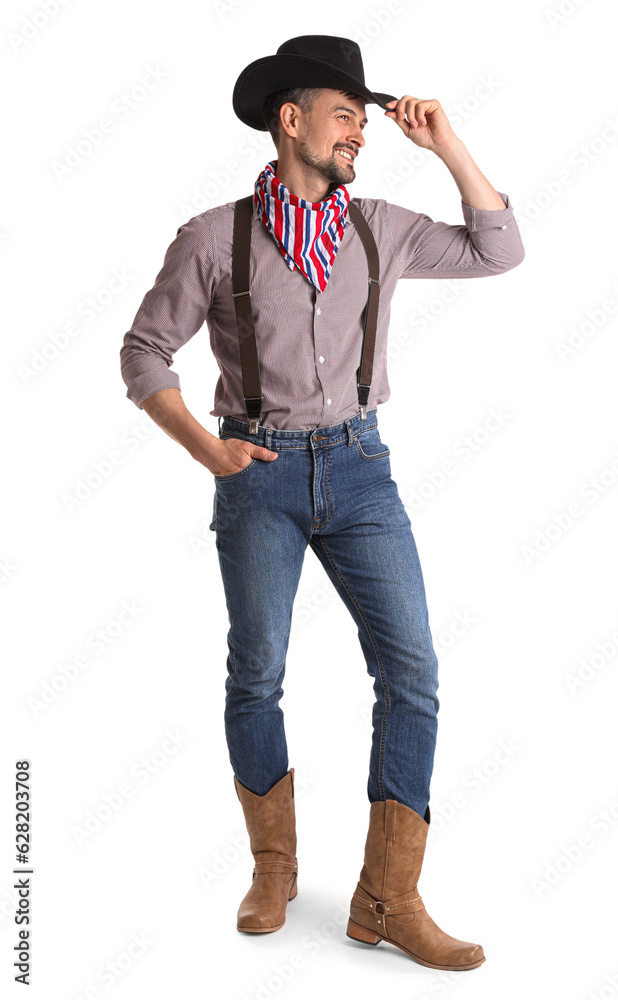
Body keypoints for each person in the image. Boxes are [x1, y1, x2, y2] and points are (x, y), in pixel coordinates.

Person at [119, 34, 525, 971]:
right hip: (254, 475)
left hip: (361, 469)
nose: (361, 134)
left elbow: (498, 248)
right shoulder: (212, 237)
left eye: (363, 119)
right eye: (346, 115)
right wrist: (208, 450)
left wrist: (448, 145)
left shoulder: (379, 224)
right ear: (289, 120)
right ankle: (274, 870)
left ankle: (387, 899)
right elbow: (143, 354)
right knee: (256, 673)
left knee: (412, 672)